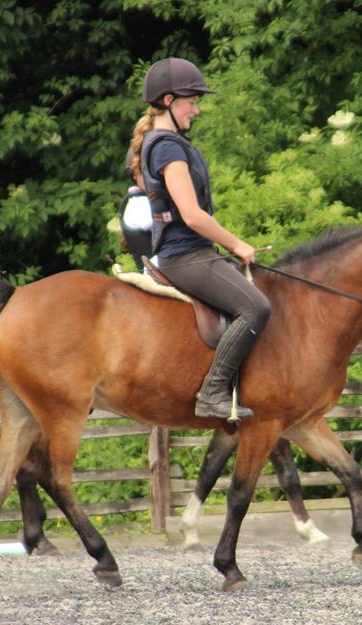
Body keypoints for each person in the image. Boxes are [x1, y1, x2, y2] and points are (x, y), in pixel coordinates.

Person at [126, 57, 270, 420]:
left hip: (193, 252)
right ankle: (212, 392)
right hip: (185, 255)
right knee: (257, 307)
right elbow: (191, 215)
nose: (198, 109)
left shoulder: (162, 144)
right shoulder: (168, 148)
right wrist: (237, 245)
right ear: (170, 100)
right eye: (192, 101)